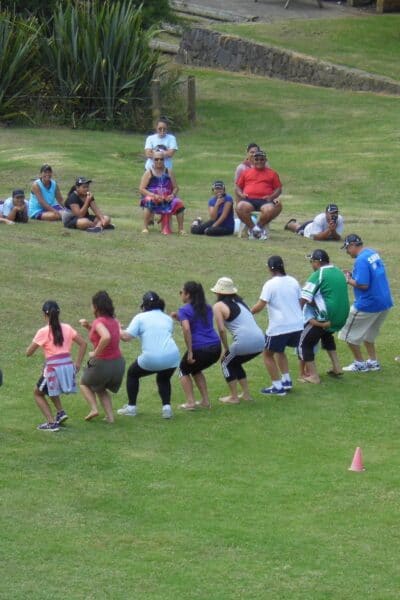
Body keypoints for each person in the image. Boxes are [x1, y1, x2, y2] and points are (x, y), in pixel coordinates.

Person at [26, 300, 87, 431]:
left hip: (53, 369)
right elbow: (83, 344)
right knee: (50, 388)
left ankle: (51, 422)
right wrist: (77, 363)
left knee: (38, 393)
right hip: (67, 366)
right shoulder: (67, 328)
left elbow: (29, 352)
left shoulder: (43, 331)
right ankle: (60, 412)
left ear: (45, 315)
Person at [117, 292, 180, 419]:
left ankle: (131, 407)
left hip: (152, 358)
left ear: (144, 305)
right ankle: (166, 408)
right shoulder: (167, 318)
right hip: (172, 357)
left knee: (132, 373)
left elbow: (126, 337)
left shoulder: (140, 317)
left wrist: (116, 328)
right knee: (163, 378)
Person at [338, 234, 393, 372]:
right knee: (369, 334)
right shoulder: (372, 253)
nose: (347, 252)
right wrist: (352, 275)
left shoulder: (361, 260)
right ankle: (373, 362)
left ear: (352, 246)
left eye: (347, 248)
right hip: (384, 302)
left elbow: (363, 285)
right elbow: (372, 275)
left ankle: (359, 363)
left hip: (369, 304)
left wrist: (347, 279)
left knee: (347, 334)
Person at [251, 256, 304, 395]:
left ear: (269, 268)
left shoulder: (270, 284)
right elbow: (300, 301)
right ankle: (286, 381)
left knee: (267, 354)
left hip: (280, 327)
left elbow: (260, 305)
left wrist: (248, 313)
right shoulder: (293, 281)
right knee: (280, 351)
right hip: (297, 325)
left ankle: (277, 387)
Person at [298, 249, 349, 384]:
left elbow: (304, 298)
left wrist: (296, 316)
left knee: (304, 343)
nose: (311, 264)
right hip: (342, 315)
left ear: (317, 262)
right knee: (326, 335)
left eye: (311, 261)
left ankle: (313, 376)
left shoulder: (318, 274)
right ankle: (337, 367)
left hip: (326, 316)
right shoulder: (338, 271)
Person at [212, 277, 264, 404]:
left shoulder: (218, 306)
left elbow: (221, 329)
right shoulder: (241, 302)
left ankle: (233, 397)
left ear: (218, 292)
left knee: (225, 362)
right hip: (260, 341)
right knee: (235, 362)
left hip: (245, 342)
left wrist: (225, 348)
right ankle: (246, 394)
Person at [173, 281, 221, 410]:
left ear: (188, 295)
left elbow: (187, 329)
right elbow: (198, 322)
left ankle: (190, 402)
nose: (180, 295)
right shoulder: (207, 308)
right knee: (195, 369)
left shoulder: (184, 310)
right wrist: (179, 318)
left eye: (181, 292)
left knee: (183, 370)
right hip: (216, 347)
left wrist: (190, 351)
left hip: (200, 348)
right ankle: (205, 401)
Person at [79, 291, 125, 423]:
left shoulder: (98, 322)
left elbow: (106, 337)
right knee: (100, 387)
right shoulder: (114, 321)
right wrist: (88, 326)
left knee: (83, 383)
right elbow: (103, 335)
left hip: (102, 362)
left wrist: (95, 353)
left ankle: (94, 408)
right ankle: (110, 418)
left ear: (96, 307)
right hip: (118, 363)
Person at [235, 150, 282, 240]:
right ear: (253, 160)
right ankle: (253, 228)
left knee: (270, 209)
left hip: (265, 200)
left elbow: (278, 189)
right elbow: (237, 187)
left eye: (261, 159)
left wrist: (271, 197)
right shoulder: (246, 172)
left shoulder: (272, 173)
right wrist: (241, 194)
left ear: (265, 160)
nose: (259, 161)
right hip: (249, 199)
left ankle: (258, 228)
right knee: (240, 207)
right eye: (257, 159)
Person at [139, 151, 185, 235]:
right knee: (149, 200)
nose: (159, 161)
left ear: (164, 160)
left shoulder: (169, 172)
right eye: (156, 159)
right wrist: (152, 195)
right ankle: (145, 227)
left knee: (179, 203)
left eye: (161, 159)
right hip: (153, 197)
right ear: (153, 160)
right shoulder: (148, 172)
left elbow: (176, 188)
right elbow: (141, 189)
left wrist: (172, 195)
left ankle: (181, 229)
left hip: (167, 198)